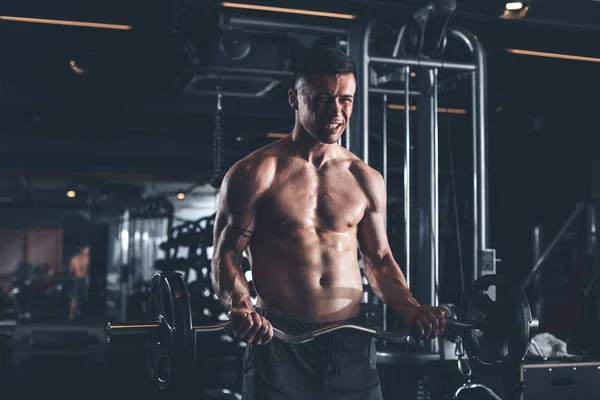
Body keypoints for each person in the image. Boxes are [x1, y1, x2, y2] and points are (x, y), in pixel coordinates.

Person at [211, 45, 448, 399]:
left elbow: (378, 260)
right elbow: (225, 254)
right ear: (295, 98)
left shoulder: (365, 178)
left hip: (350, 339)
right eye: (323, 99)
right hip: (279, 339)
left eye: (346, 100)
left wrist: (410, 307)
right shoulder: (255, 173)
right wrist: (241, 306)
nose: (336, 112)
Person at [68, 244, 90, 320]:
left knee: (75, 297)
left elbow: (71, 271)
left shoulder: (74, 259)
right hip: (82, 279)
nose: (88, 251)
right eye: (87, 250)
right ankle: (73, 314)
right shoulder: (87, 258)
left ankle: (72, 315)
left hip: (77, 279)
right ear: (82, 250)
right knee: (80, 296)